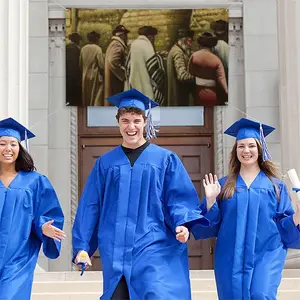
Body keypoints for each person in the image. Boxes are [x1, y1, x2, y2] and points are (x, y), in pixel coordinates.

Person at [72, 89, 212, 300]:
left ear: (145, 122)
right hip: (116, 250)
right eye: (125, 121)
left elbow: (179, 198)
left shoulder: (165, 160)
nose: (131, 127)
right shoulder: (105, 164)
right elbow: (91, 206)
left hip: (154, 246)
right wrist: (82, 247)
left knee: (156, 293)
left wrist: (183, 223)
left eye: (136, 121)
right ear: (118, 122)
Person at [192, 118, 300, 300]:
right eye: (241, 146)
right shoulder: (224, 185)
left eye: (251, 145)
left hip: (267, 253)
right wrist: (210, 201)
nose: (246, 151)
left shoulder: (276, 186)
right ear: (235, 151)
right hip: (230, 255)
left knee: (261, 294)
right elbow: (210, 226)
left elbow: (285, 226)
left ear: (260, 148)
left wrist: (298, 215)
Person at [0, 117, 65, 299]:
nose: (8, 149)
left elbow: (46, 212)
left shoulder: (35, 181)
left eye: (13, 144)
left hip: (18, 259)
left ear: (20, 148)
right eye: (2, 143)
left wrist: (42, 227)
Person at [125, 26, 165, 105]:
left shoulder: (133, 45)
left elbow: (128, 67)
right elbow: (155, 72)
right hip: (148, 90)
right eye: (153, 37)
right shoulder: (147, 45)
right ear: (150, 36)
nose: (153, 40)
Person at [188, 32, 228, 106]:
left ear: (200, 45)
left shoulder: (194, 56)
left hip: (197, 92)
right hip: (212, 93)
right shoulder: (216, 60)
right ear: (212, 47)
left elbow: (190, 72)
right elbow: (221, 79)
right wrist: (226, 91)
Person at [167, 28, 195, 106]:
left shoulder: (176, 49)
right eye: (189, 41)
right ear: (183, 40)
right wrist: (197, 78)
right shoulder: (178, 52)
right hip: (179, 96)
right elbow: (182, 75)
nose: (190, 44)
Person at [104, 25, 130, 102]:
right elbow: (113, 60)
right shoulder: (117, 44)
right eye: (125, 35)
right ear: (121, 35)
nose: (126, 37)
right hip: (115, 80)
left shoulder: (114, 43)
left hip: (114, 79)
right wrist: (123, 73)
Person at [80, 31, 105, 106]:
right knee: (94, 96)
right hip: (95, 76)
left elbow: (80, 63)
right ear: (97, 39)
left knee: (86, 96)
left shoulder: (83, 49)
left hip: (85, 74)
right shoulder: (98, 49)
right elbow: (101, 65)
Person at [66, 32, 82, 106]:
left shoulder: (66, 48)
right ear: (77, 40)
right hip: (75, 75)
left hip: (67, 74)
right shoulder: (77, 49)